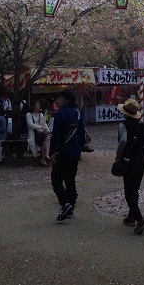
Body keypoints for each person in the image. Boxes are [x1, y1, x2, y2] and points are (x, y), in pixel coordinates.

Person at [116, 98, 144, 234]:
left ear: (125, 113)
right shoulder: (142, 126)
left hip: (129, 161)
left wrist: (118, 154)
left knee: (129, 192)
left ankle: (140, 219)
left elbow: (123, 140)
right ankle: (131, 216)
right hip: (142, 161)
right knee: (135, 189)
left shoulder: (123, 125)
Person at [49, 89, 84, 222]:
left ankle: (65, 204)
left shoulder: (59, 114)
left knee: (56, 179)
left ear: (66, 100)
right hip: (74, 152)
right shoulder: (78, 114)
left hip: (62, 152)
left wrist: (53, 152)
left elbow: (56, 135)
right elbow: (81, 135)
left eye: (59, 98)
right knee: (70, 179)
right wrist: (79, 150)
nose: (56, 101)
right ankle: (71, 207)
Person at [27, 101, 51, 166]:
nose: (39, 107)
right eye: (37, 105)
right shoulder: (29, 115)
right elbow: (30, 125)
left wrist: (45, 115)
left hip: (41, 133)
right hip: (34, 134)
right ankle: (45, 156)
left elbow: (43, 123)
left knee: (46, 139)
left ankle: (44, 157)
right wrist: (40, 127)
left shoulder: (40, 115)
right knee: (46, 139)